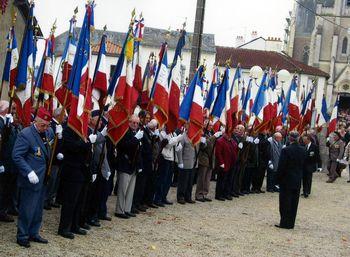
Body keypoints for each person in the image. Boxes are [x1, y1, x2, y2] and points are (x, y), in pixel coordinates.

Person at [12, 107, 54, 247]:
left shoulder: (47, 132)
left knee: (37, 208)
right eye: (43, 125)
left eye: (48, 125)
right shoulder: (26, 134)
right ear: (36, 121)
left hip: (42, 178)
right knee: (27, 208)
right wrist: (28, 171)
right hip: (31, 178)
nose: (45, 128)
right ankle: (22, 235)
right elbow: (17, 156)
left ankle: (34, 232)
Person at [57, 126, 95, 239]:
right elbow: (71, 146)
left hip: (83, 169)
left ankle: (75, 225)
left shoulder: (86, 130)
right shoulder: (70, 129)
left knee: (80, 200)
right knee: (70, 201)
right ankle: (64, 228)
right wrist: (88, 143)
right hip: (72, 169)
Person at [275, 131, 306, 229]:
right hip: (297, 179)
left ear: (290, 138)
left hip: (286, 179)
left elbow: (281, 166)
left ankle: (284, 222)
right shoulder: (303, 150)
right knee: (294, 202)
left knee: (285, 202)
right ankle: (291, 222)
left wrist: (277, 179)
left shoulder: (286, 150)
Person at [115, 115, 143, 219]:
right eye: (133, 122)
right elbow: (124, 146)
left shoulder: (136, 133)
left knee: (130, 189)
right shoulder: (125, 132)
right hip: (125, 163)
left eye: (137, 123)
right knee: (123, 189)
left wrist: (139, 165)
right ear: (129, 122)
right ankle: (119, 210)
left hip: (133, 165)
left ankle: (127, 209)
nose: (135, 125)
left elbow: (139, 150)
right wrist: (136, 139)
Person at [154, 127, 183, 207]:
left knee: (168, 180)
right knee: (162, 179)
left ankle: (163, 197)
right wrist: (177, 138)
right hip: (164, 158)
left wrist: (178, 142)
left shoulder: (173, 133)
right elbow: (168, 144)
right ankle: (157, 198)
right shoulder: (163, 132)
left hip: (171, 159)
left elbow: (177, 146)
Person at [0, 101, 18, 222]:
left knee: (6, 188)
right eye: (12, 108)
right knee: (1, 189)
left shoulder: (7, 122)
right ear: (4, 109)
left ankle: (3, 211)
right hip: (3, 161)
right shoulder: (1, 122)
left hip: (9, 162)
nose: (14, 111)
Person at [195, 122, 221, 202]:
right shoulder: (203, 134)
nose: (211, 126)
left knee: (207, 178)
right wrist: (214, 137)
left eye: (211, 125)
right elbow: (207, 145)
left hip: (211, 158)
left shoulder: (211, 133)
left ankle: (204, 193)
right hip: (204, 157)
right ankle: (199, 194)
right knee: (202, 177)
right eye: (209, 125)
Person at [215, 130, 238, 201]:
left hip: (231, 163)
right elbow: (218, 153)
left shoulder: (231, 141)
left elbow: (235, 148)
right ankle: (219, 194)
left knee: (229, 180)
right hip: (223, 164)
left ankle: (226, 193)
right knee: (222, 180)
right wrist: (221, 162)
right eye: (228, 133)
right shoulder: (220, 141)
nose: (229, 135)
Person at [176, 130, 197, 204]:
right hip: (184, 163)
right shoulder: (183, 137)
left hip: (192, 162)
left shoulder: (194, 136)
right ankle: (180, 196)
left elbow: (195, 149)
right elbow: (179, 150)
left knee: (190, 181)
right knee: (183, 181)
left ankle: (188, 196)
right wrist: (180, 162)